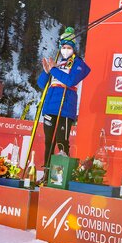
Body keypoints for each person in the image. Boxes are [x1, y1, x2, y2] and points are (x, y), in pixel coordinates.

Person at [36, 27, 91, 168]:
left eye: (68, 47)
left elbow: (71, 80)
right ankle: (47, 173)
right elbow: (41, 84)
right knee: (49, 141)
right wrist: (46, 71)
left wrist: (54, 70)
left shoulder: (78, 63)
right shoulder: (57, 62)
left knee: (62, 140)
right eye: (63, 47)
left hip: (65, 108)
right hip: (50, 107)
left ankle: (61, 174)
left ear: (73, 48)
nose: (65, 50)